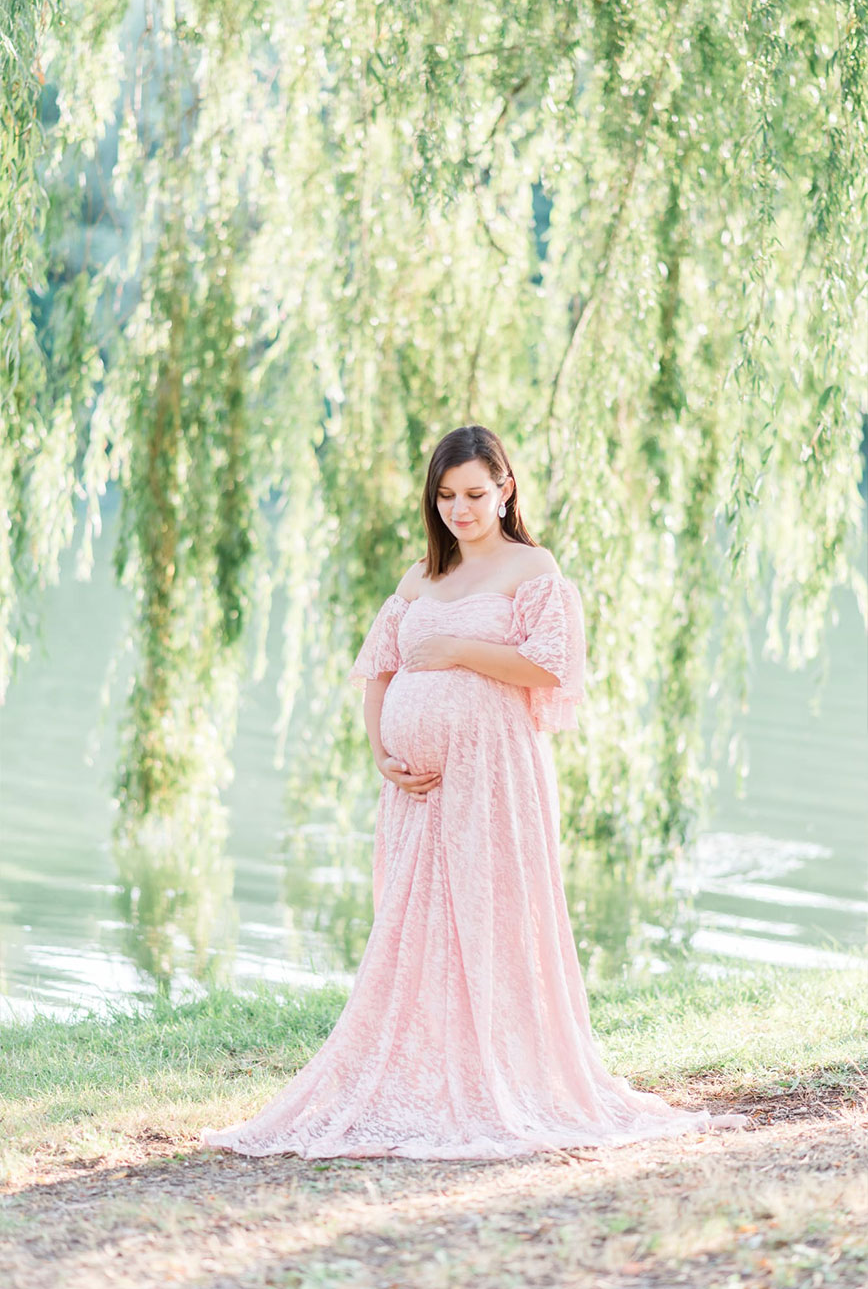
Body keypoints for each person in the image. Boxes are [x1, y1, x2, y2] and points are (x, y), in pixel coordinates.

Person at [200, 425, 749, 1158]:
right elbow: (379, 675)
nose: (459, 509)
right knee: (414, 926)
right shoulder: (418, 578)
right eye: (446, 496)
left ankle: (498, 1069)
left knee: (487, 914)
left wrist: (459, 649)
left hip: (493, 779)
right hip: (416, 791)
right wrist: (383, 755)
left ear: (505, 490)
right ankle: (419, 1066)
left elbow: (550, 666)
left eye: (474, 494)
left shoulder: (531, 568)